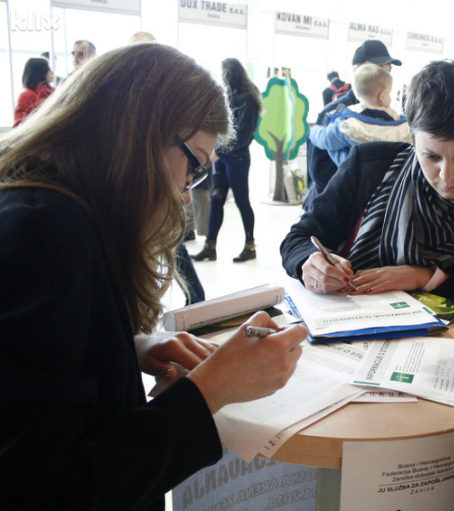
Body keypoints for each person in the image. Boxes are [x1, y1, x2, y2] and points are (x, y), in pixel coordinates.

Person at [0, 43, 306, 509]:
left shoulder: (43, 207)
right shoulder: (47, 232)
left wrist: (128, 346)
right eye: (193, 167)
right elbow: (48, 487)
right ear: (140, 137)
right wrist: (210, 389)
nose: (186, 196)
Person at [281, 60, 454, 309]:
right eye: (431, 156)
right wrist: (308, 262)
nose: (447, 175)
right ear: (412, 136)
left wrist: (426, 277)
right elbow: (298, 239)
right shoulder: (370, 166)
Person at [303, 39, 402, 211]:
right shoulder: (336, 113)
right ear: (357, 69)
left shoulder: (388, 115)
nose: (384, 75)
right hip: (334, 206)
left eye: (388, 70)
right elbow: (318, 169)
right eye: (378, 68)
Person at [193, 58, 262, 263]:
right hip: (223, 159)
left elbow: (243, 135)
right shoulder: (227, 97)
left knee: (242, 201)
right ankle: (210, 247)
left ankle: (250, 246)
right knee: (216, 200)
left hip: (237, 159)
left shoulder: (247, 98)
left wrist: (220, 152)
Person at [309, 63, 409, 166]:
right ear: (382, 96)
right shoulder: (400, 123)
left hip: (358, 174)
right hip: (389, 173)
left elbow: (325, 139)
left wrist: (313, 130)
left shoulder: (347, 125)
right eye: (389, 93)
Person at [13, 57, 54, 127]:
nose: (52, 72)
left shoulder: (53, 93)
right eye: (48, 69)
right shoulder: (26, 95)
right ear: (41, 72)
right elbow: (19, 124)